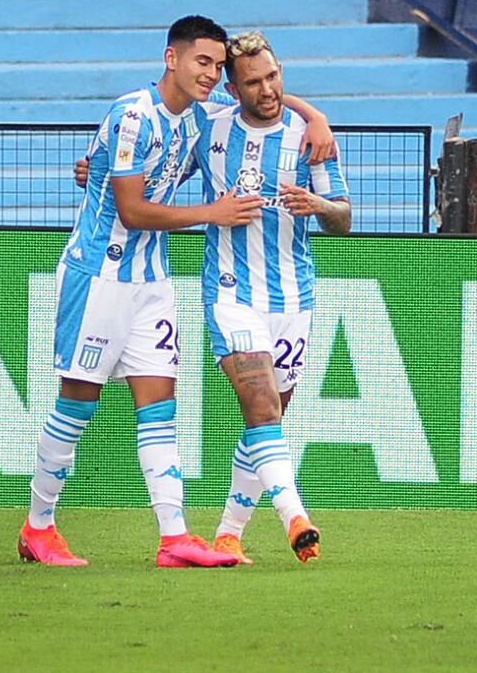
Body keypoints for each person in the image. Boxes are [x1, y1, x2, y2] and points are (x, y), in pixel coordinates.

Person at [22, 16, 334, 568]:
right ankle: (38, 526)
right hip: (98, 275)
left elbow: (261, 97)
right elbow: (130, 209)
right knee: (78, 403)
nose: (212, 74)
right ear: (173, 59)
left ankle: (175, 539)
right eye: (202, 62)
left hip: (152, 281)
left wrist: (314, 115)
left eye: (217, 66)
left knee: (160, 407)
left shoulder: (194, 121)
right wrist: (209, 213)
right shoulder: (133, 115)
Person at [191, 31, 352, 565]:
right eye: (254, 82)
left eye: (273, 77)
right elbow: (160, 149)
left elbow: (345, 222)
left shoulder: (311, 139)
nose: (267, 89)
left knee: (268, 423)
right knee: (260, 407)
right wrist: (96, 173)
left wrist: (320, 205)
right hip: (230, 294)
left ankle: (229, 532)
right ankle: (295, 518)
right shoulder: (208, 125)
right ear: (232, 90)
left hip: (293, 298)